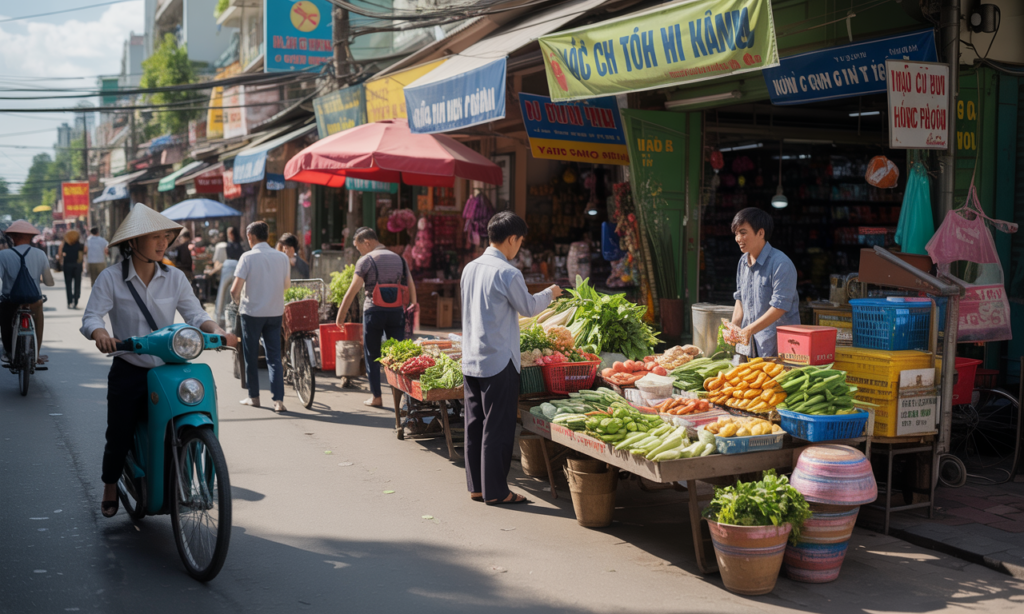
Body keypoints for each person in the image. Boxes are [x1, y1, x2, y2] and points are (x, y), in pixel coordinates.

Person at [79, 203, 236, 518]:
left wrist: (218, 331)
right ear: (133, 242)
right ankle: (110, 484)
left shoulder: (175, 277)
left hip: (168, 369)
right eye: (155, 237)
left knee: (183, 419)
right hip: (129, 368)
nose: (163, 242)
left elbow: (195, 314)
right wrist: (100, 335)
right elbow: (91, 316)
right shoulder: (111, 278)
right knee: (119, 433)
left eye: (166, 236)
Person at [461, 212, 562, 505]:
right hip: (499, 360)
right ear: (511, 239)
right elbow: (528, 307)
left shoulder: (470, 267)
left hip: (472, 357)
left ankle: (477, 487)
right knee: (498, 427)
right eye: (519, 241)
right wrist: (550, 293)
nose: (519, 247)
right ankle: (497, 492)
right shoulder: (507, 272)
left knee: (475, 423)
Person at [335, 227, 417, 408]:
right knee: (398, 354)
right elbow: (409, 282)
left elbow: (353, 290)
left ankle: (376, 397)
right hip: (396, 312)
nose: (359, 251)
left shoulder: (366, 260)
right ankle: (402, 397)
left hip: (373, 311)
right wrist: (414, 302)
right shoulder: (399, 258)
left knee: (372, 354)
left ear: (367, 242)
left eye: (358, 248)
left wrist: (340, 315)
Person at [230, 221, 291, 413]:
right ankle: (279, 401)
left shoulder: (247, 257)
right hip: (274, 312)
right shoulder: (282, 257)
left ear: (250, 236)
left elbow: (234, 289)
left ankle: (253, 397)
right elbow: (287, 286)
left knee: (250, 356)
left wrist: (238, 302)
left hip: (252, 313)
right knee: (274, 357)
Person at [729, 207, 801, 358]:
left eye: (743, 232)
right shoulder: (742, 262)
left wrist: (748, 330)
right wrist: (734, 328)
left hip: (779, 349)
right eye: (736, 234)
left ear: (761, 233)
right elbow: (740, 299)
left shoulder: (781, 263)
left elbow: (779, 307)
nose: (738, 239)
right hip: (748, 348)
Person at [0, 220, 55, 365]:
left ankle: (8, 353)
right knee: (38, 319)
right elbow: (49, 282)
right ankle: (36, 354)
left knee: (5, 321)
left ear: (13, 237)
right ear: (30, 237)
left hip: (10, 300)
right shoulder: (40, 254)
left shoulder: (4, 255)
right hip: (33, 298)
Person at [207, 226, 245, 328]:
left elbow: (218, 263)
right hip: (238, 269)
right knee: (236, 296)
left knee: (222, 296)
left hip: (228, 267)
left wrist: (212, 271)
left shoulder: (223, 246)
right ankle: (235, 322)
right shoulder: (241, 245)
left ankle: (218, 320)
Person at [59, 229, 85, 309]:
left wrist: (60, 261)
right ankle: (76, 300)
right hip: (77, 266)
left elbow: (60, 253)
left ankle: (69, 301)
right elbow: (85, 251)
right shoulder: (79, 245)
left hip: (67, 265)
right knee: (77, 283)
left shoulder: (65, 244)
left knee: (68, 284)